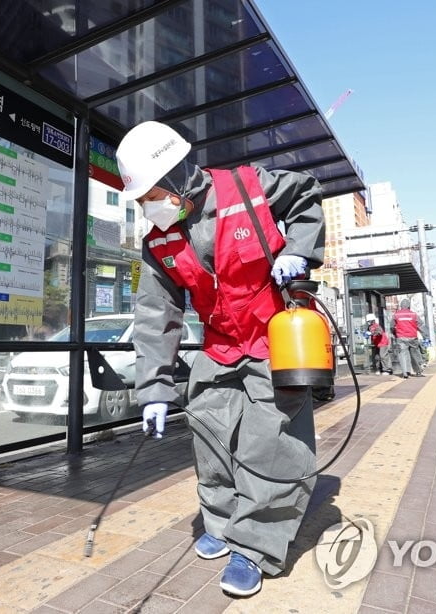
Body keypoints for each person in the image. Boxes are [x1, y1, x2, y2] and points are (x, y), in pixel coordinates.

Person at [117, 120, 325, 598]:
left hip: (275, 336)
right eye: (141, 198)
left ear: (173, 177)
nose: (147, 205)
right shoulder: (159, 243)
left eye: (149, 194)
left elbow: (307, 192)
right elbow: (155, 317)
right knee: (209, 430)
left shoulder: (248, 187)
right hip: (220, 344)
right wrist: (153, 390)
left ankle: (255, 546)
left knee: (269, 444)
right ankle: (222, 519)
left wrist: (298, 251)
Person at [390, 297, 427, 377]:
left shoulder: (396, 315)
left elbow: (392, 326)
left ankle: (405, 373)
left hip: (401, 337)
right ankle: (418, 371)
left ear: (401, 306)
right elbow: (420, 326)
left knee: (402, 354)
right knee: (415, 354)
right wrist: (425, 336)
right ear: (409, 306)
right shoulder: (414, 315)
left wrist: (395, 334)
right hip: (412, 337)